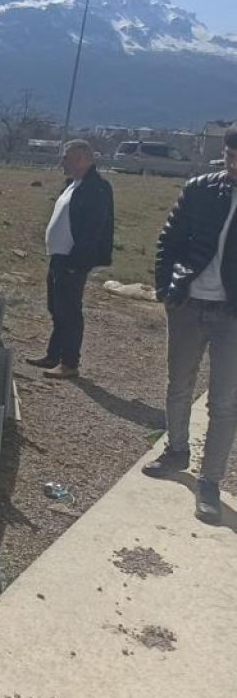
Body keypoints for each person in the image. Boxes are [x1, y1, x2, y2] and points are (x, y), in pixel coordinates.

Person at [141, 128, 237, 524]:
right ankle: (176, 450)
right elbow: (170, 238)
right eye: (231, 154)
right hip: (188, 304)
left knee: (224, 403)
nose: (234, 163)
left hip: (231, 315)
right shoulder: (201, 188)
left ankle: (209, 482)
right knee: (178, 384)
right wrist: (167, 288)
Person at [22, 140, 114, 380]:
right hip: (59, 257)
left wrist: (79, 261)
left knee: (70, 311)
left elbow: (93, 229)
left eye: (67, 158)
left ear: (82, 159)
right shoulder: (74, 185)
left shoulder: (96, 188)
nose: (62, 162)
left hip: (73, 261)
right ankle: (54, 354)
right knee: (57, 308)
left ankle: (69, 362)